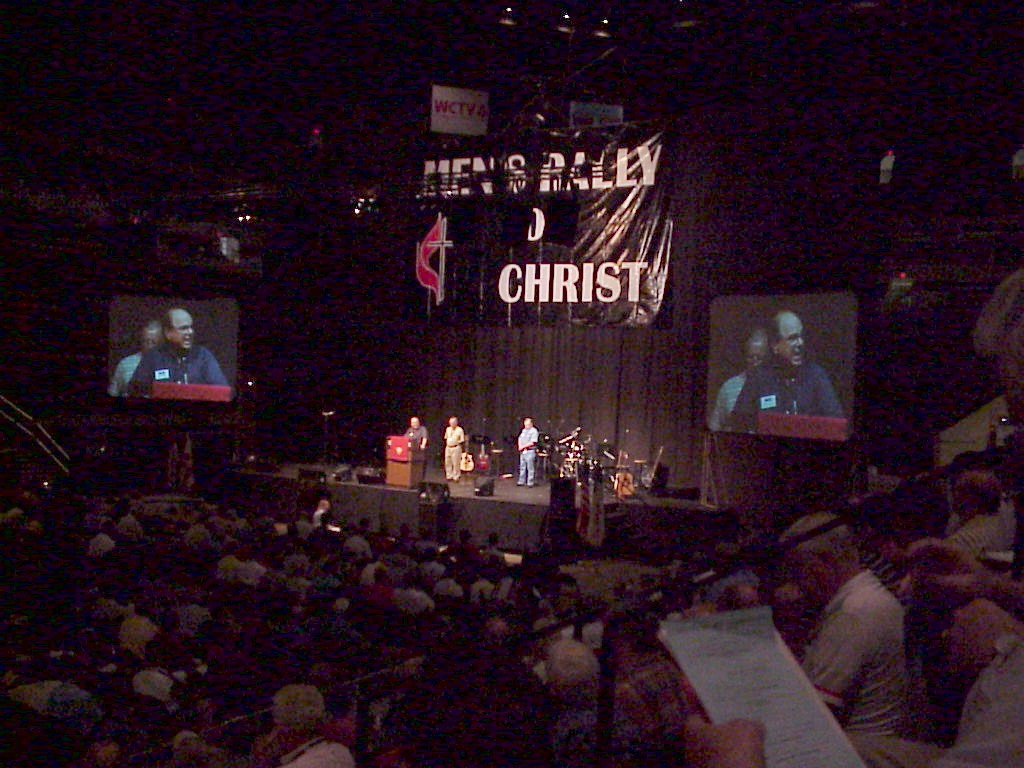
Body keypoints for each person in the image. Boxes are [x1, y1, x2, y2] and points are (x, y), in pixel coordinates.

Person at [730, 310, 843, 430]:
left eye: (801, 336)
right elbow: (739, 424)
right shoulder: (758, 378)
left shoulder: (815, 375)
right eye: (792, 338)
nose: (800, 343)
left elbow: (836, 424)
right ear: (775, 345)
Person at [129, 308, 229, 395]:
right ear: (168, 332)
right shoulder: (153, 357)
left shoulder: (203, 355)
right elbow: (135, 391)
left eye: (191, 327)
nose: (190, 332)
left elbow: (221, 391)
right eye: (183, 328)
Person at [708, 328, 768, 431]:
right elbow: (715, 426)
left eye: (759, 358)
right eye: (751, 357)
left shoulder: (775, 386)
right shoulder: (728, 388)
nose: (755, 362)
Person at [108, 319, 162, 397]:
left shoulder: (169, 363)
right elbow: (113, 392)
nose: (149, 346)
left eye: (153, 342)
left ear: (161, 342)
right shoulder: (125, 364)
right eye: (146, 341)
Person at [405, 416, 428, 487]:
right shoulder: (410, 430)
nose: (414, 424)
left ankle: (420, 481)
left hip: (418, 451)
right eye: (413, 422)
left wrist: (423, 445)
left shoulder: (422, 429)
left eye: (415, 422)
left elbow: (424, 438)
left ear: (418, 422)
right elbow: (404, 439)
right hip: (410, 452)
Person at [517, 416, 539, 487]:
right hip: (523, 451)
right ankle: (521, 481)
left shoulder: (534, 431)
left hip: (530, 451)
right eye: (525, 425)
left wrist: (523, 446)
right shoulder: (524, 430)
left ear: (531, 424)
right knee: (522, 466)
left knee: (530, 467)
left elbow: (533, 442)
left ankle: (530, 482)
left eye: (527, 425)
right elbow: (520, 438)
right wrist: (520, 446)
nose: (526, 426)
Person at [443, 416, 466, 482]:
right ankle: (449, 476)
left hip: (456, 448)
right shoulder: (448, 429)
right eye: (450, 423)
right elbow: (446, 437)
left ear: (456, 423)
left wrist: (455, 441)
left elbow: (462, 440)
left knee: (456, 463)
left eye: (453, 423)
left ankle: (456, 476)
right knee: (448, 462)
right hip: (448, 447)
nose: (452, 424)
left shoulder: (460, 430)